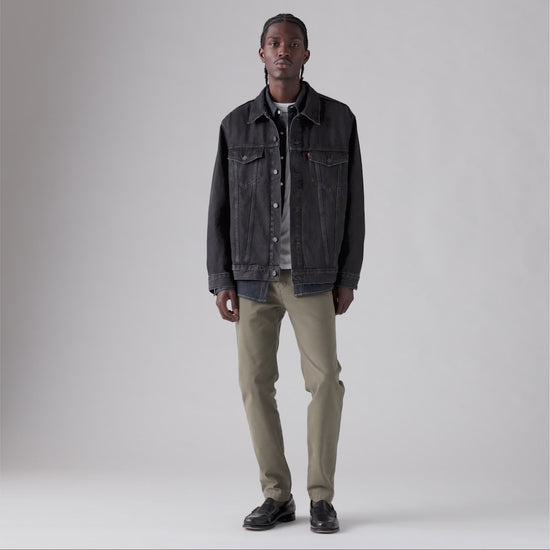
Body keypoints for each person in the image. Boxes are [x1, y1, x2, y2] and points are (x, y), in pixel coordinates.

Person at [206, 13, 365, 534]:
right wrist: (220, 277)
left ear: (305, 54)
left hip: (313, 275)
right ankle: (276, 495)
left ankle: (321, 498)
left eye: (293, 44)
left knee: (326, 384)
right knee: (254, 385)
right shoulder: (236, 125)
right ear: (261, 53)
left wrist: (348, 275)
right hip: (252, 275)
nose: (283, 51)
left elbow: (355, 204)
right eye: (274, 43)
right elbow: (219, 207)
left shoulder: (338, 120)